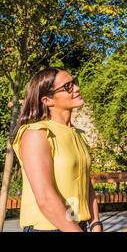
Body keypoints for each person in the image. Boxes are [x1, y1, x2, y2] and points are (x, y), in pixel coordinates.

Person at [10, 67, 102, 232]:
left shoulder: (77, 134)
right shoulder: (36, 134)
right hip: (48, 228)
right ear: (47, 100)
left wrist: (95, 223)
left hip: (78, 226)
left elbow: (86, 184)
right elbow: (45, 198)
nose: (77, 88)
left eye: (74, 83)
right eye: (68, 87)